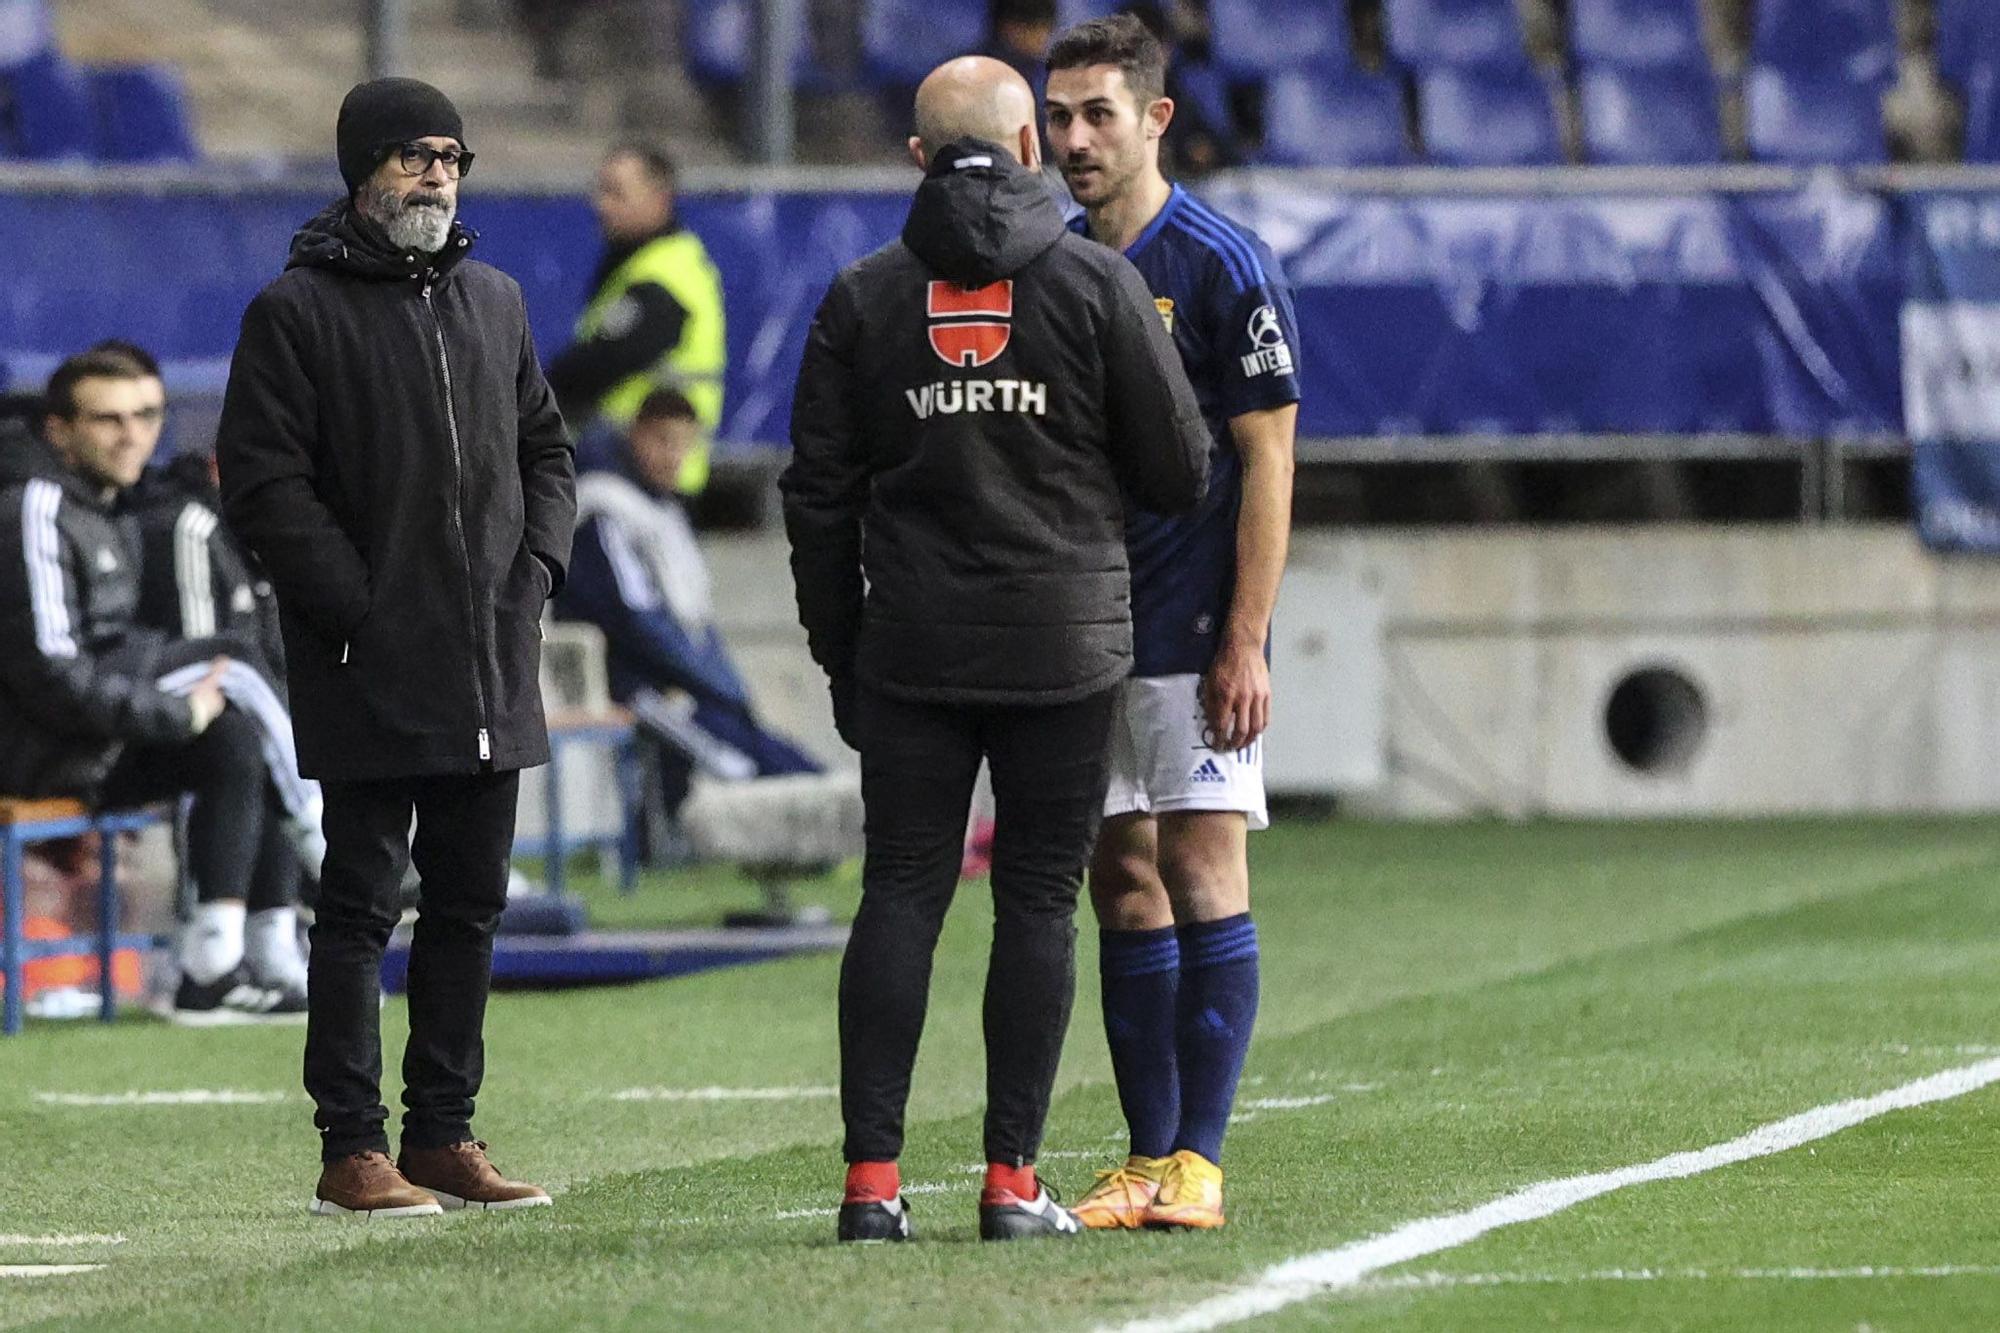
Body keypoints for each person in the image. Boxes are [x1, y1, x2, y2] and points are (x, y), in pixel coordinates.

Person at [783, 54, 1209, 1244]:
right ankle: (1010, 1183)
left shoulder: (861, 296)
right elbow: (1181, 468)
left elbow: (814, 495)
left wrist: (841, 652)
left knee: (901, 894)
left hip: (908, 647)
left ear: (916, 158)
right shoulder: (1094, 283)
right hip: (1063, 645)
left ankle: (871, 1186)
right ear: (1031, 147)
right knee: (1035, 901)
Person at [216, 77, 575, 1220]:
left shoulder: (497, 301)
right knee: (362, 902)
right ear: (361, 167)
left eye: (452, 156)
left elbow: (547, 454)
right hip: (365, 660)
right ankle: (350, 1148)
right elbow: (268, 488)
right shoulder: (295, 312)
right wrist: (359, 609)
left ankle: (441, 1136)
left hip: (490, 657)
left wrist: (534, 578)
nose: (437, 174)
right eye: (414, 154)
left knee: (471, 903)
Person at [1046, 13, 1301, 1231]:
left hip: (1192, 626)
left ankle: (1199, 1158)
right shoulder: (1049, 259)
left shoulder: (1218, 262)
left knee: (1201, 866)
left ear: (1154, 119)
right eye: (1058, 116)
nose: (1074, 138)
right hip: (1081, 626)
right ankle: (1144, 1160)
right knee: (1120, 880)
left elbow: (1269, 460)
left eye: (1099, 114)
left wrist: (1243, 635)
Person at [0, 349, 321, 1023]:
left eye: (146, 416)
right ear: (59, 430)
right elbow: (49, 674)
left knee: (234, 729)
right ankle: (324, 841)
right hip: (36, 750)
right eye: (108, 419)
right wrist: (172, 711)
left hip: (87, 735)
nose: (132, 436)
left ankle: (235, 959)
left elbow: (109, 650)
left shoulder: (101, 503)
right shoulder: (34, 506)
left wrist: (180, 701)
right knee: (227, 683)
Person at [557, 386, 818, 841]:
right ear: (636, 435)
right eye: (663, 441)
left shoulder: (666, 510)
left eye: (684, 444)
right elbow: (635, 621)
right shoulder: (605, 507)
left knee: (752, 738)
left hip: (678, 678)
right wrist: (712, 682)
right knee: (735, 755)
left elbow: (691, 616)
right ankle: (811, 827)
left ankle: (829, 810)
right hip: (629, 681)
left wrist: (721, 682)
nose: (674, 455)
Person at [544, 143, 726, 493]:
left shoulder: (665, 276)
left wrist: (533, 400)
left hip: (646, 470)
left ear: (659, 199)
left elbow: (599, 364)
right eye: (600, 190)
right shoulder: (645, 265)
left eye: (616, 193)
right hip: (637, 469)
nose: (601, 204)